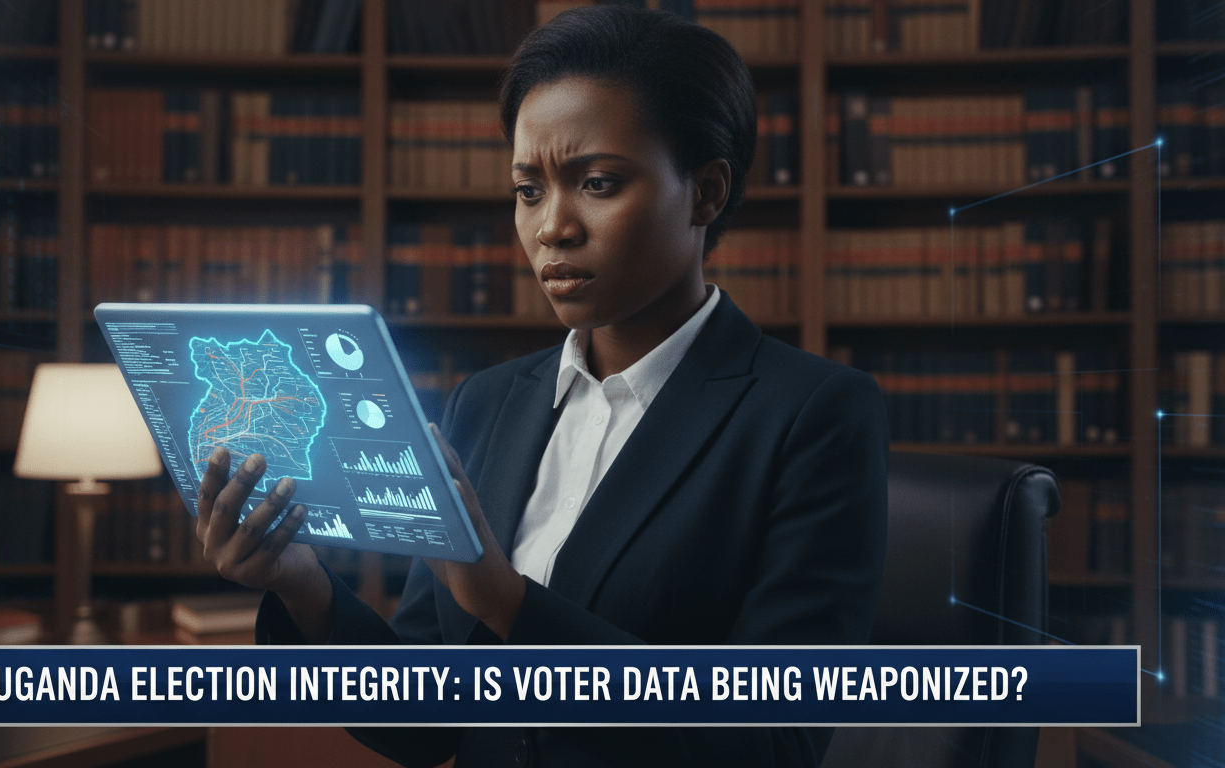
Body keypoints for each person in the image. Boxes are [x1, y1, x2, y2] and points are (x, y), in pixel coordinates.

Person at [194, 5, 889, 766]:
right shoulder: (486, 405)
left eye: (597, 183)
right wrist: (304, 587)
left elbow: (774, 743)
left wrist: (506, 602)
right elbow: (423, 729)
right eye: (529, 190)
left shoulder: (813, 415)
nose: (553, 227)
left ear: (706, 192)